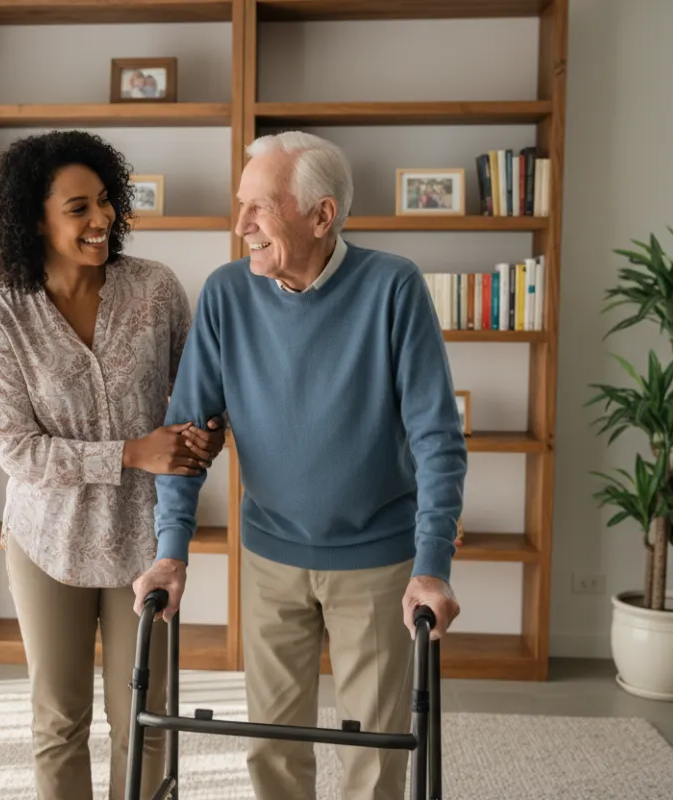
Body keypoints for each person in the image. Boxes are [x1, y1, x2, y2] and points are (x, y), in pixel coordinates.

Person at [132, 131, 467, 800]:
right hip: (269, 560)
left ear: (322, 215)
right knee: (273, 749)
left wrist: (431, 567)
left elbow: (437, 436)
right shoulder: (228, 295)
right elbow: (189, 437)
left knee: (375, 752)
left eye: (260, 207)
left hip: (377, 562)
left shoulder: (392, 287)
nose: (241, 226)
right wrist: (171, 552)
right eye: (239, 205)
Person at [0, 130, 226, 800]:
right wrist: (134, 452)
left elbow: (198, 398)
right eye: (78, 208)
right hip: (45, 541)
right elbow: (16, 450)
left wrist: (205, 436)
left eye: (106, 202)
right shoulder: (3, 309)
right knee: (59, 720)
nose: (102, 219)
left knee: (147, 718)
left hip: (146, 539)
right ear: (34, 220)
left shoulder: (156, 289)